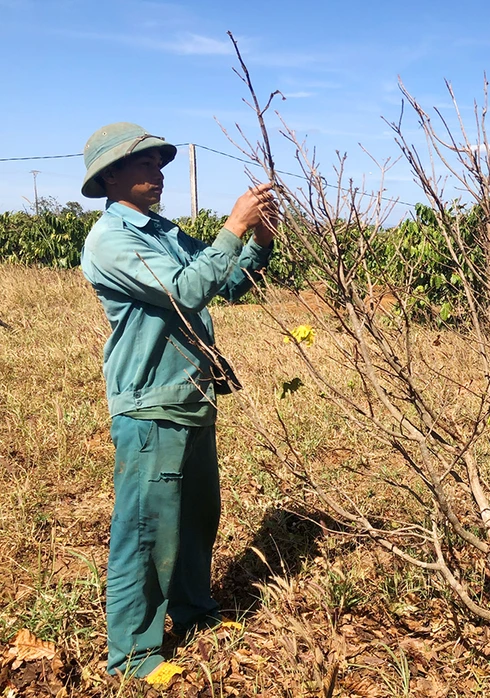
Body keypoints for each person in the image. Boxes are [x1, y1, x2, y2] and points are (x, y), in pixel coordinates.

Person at [79, 122, 275, 683]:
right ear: (110, 177)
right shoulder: (112, 239)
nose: (157, 172)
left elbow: (227, 284)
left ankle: (194, 609)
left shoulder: (163, 232)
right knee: (145, 533)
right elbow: (185, 291)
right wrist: (232, 226)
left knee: (194, 520)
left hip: (191, 394)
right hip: (149, 403)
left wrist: (258, 241)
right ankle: (133, 657)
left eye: (159, 162)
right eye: (144, 164)